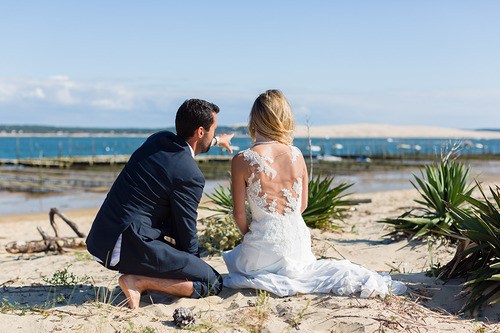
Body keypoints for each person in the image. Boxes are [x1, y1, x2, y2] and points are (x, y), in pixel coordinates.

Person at [222, 90, 406, 298]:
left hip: (264, 247)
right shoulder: (297, 154)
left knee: (238, 262)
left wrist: (254, 236)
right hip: (299, 247)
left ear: (254, 120)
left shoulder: (242, 159)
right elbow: (302, 205)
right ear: (284, 119)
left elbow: (239, 215)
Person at [86, 98, 234, 309]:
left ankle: (145, 277)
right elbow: (186, 227)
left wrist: (218, 141)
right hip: (125, 246)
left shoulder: (158, 139)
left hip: (100, 240)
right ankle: (138, 281)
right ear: (201, 132)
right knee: (212, 282)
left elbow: (193, 143)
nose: (213, 135)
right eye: (213, 131)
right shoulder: (191, 175)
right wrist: (192, 267)